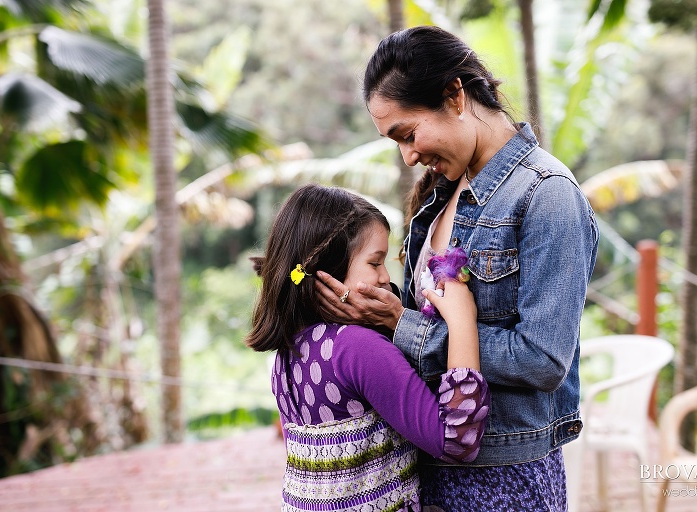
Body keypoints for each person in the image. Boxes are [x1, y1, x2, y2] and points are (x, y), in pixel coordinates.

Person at [315, 26, 600, 511]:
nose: (408, 157)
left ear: (454, 96)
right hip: (425, 459)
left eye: (408, 134)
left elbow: (543, 359)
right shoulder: (439, 196)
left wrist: (399, 324)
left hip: (503, 472)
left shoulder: (547, 194)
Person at [245, 184, 490, 512]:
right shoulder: (356, 349)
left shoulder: (288, 356)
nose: (385, 276)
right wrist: (462, 322)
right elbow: (457, 441)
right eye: (375, 262)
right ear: (328, 269)